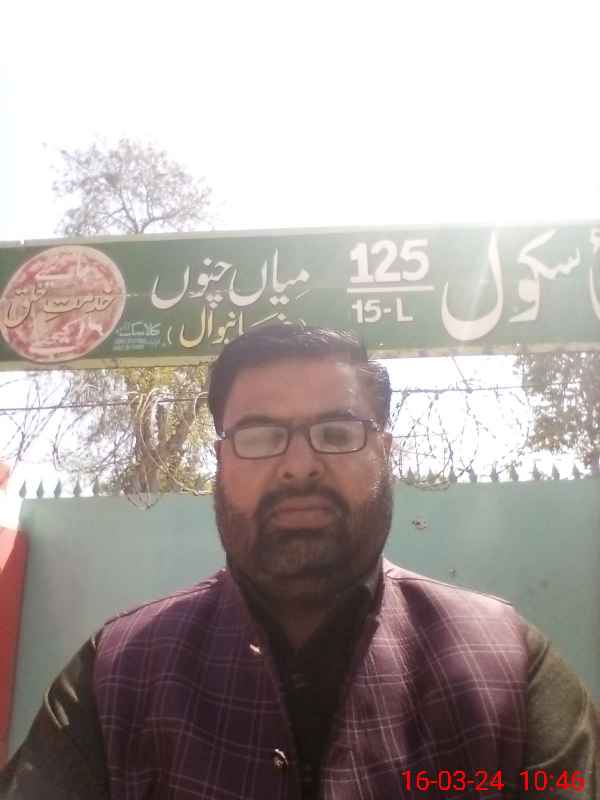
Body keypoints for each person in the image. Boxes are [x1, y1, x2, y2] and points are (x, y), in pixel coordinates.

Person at [1, 324, 598, 800]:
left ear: (385, 453)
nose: (299, 466)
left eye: (337, 433)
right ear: (221, 464)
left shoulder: (513, 667)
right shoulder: (113, 676)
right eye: (260, 436)